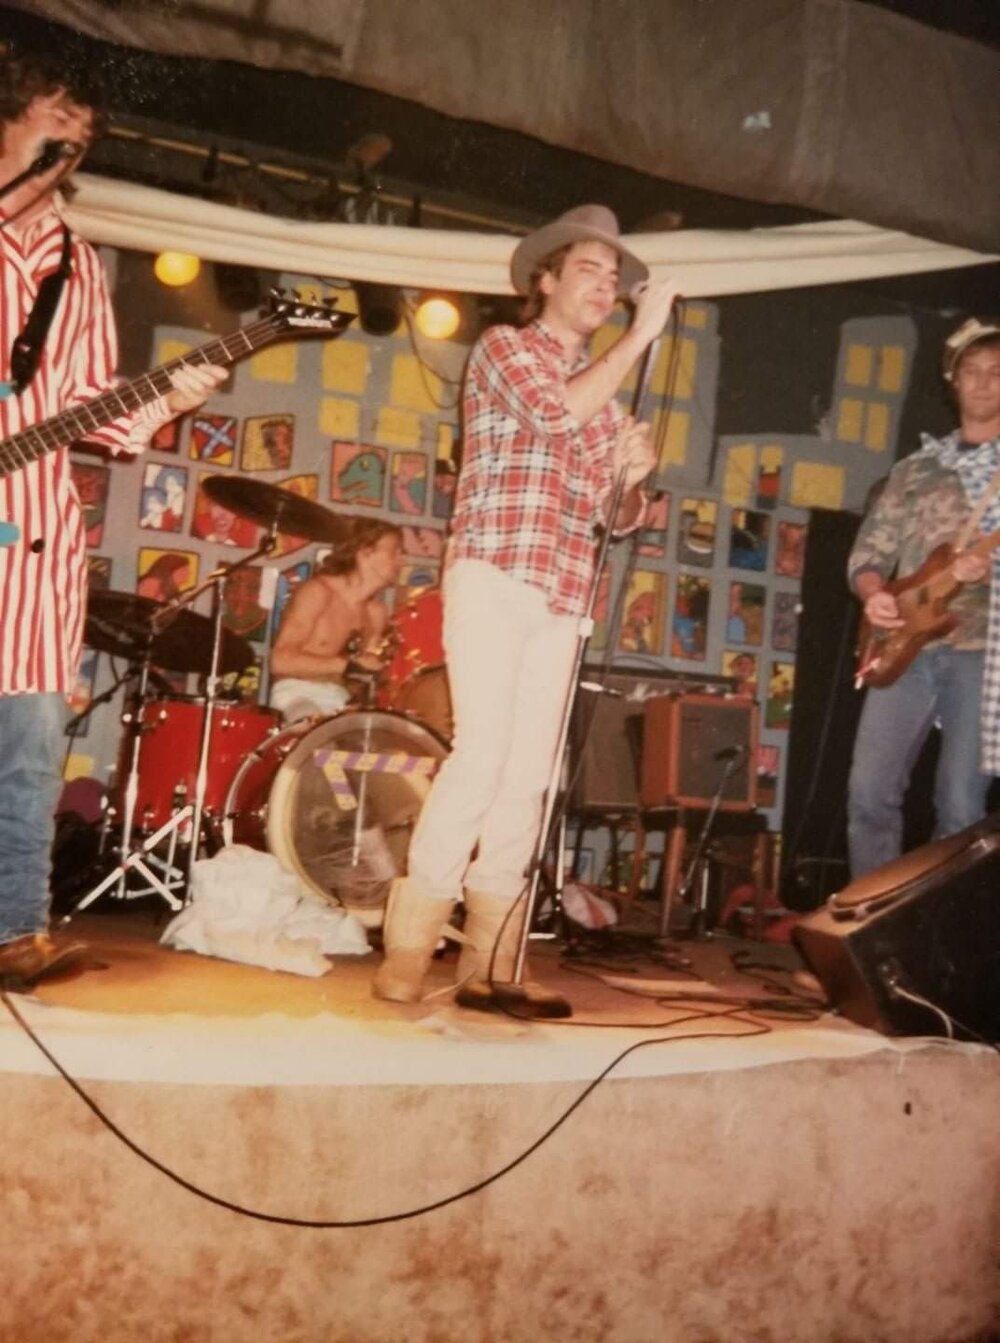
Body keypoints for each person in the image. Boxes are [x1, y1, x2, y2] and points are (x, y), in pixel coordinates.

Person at [373, 203, 678, 1005]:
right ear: (543, 281)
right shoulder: (505, 349)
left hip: (563, 591)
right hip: (494, 572)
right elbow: (551, 412)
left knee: (530, 777)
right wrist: (639, 339)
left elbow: (609, 518)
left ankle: (493, 961)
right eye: (589, 270)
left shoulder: (605, 400)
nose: (606, 287)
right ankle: (407, 952)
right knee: (482, 754)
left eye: (614, 280)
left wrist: (633, 481)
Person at [0, 53, 227, 985]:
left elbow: (100, 404)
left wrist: (175, 393)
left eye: (83, 136)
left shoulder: (78, 266)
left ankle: (14, 929)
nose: (72, 143)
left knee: (30, 748)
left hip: (38, 538)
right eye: (59, 122)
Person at [847, 318, 1000, 878]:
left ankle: (940, 945)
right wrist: (873, 596)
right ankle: (868, 932)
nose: (984, 383)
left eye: (997, 374)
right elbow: (868, 554)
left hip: (982, 652)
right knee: (869, 794)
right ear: (953, 381)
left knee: (960, 808)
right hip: (903, 645)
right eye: (973, 371)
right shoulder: (914, 468)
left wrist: (989, 567)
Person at [269, 518, 403, 721]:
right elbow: (280, 662)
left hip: (340, 701)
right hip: (297, 693)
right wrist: (348, 665)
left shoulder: (377, 613)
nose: (402, 562)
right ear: (365, 553)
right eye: (395, 552)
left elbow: (360, 679)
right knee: (313, 733)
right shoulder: (318, 592)